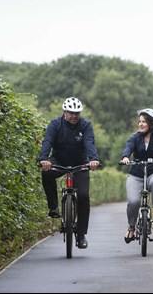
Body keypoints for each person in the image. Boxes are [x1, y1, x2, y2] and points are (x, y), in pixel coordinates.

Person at [38, 97, 100, 249]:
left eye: (77, 113)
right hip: (59, 160)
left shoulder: (85, 125)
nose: (74, 116)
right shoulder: (55, 124)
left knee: (84, 196)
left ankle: (81, 235)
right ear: (64, 112)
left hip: (80, 163)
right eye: (71, 112)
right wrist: (43, 159)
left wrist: (93, 159)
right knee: (47, 173)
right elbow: (47, 141)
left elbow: (89, 143)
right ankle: (53, 207)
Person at [119, 108, 153, 244]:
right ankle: (131, 227)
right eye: (140, 121)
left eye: (144, 122)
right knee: (134, 202)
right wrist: (125, 157)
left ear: (151, 124)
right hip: (136, 174)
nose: (141, 124)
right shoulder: (135, 138)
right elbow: (128, 147)